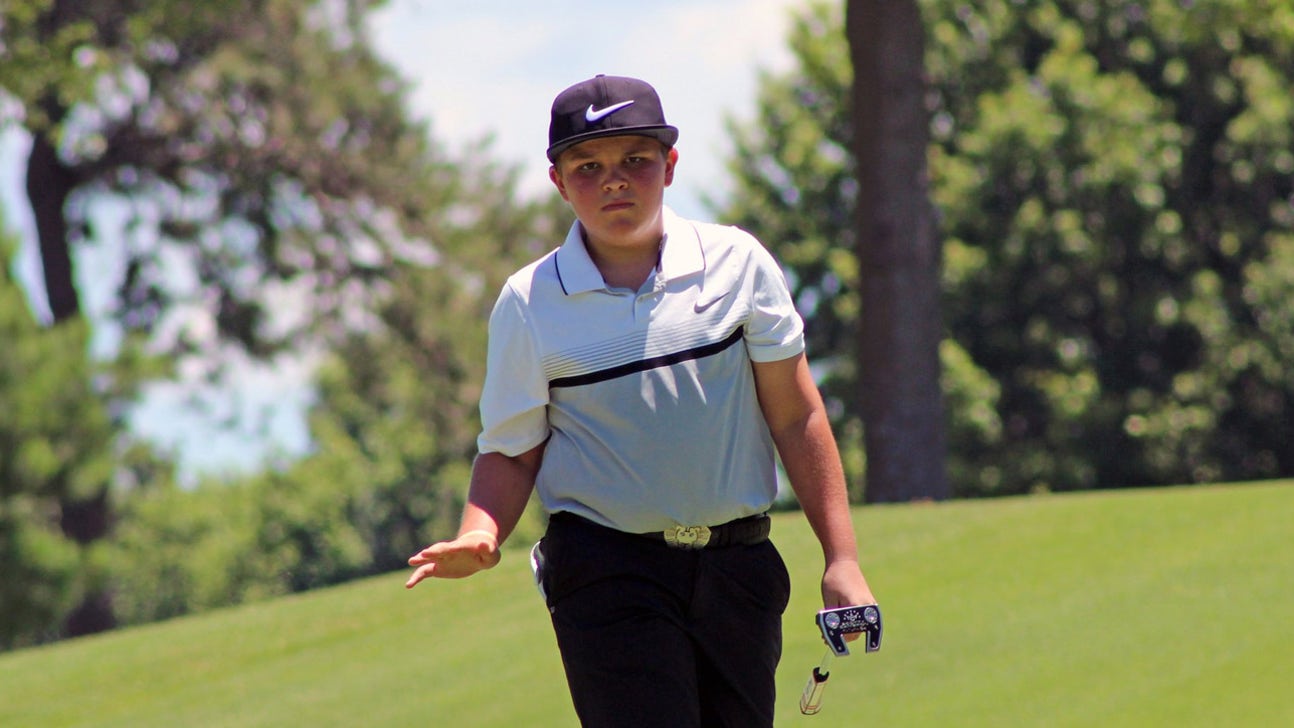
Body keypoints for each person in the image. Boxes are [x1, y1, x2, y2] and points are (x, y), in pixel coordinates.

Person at [406, 74, 877, 727]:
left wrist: (843, 560)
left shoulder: (738, 264)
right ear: (559, 182)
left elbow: (796, 416)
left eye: (635, 160)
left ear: (671, 166)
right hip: (606, 569)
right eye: (588, 166)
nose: (614, 180)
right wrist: (480, 533)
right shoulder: (529, 302)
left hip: (739, 566)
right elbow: (511, 452)